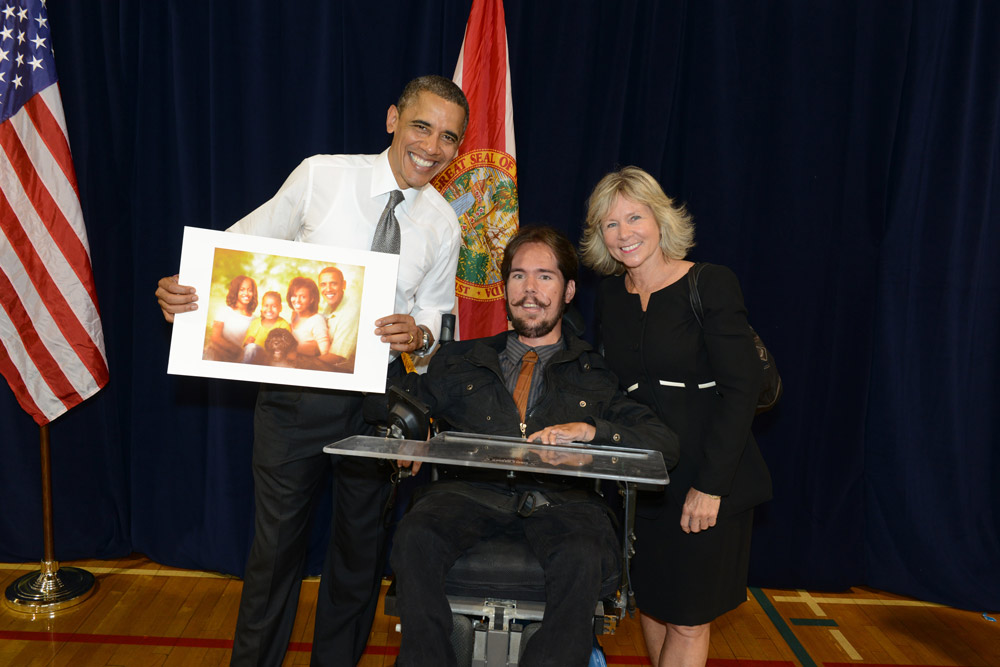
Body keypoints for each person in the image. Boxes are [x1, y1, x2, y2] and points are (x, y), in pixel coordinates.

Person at [155, 74, 469, 666]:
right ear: (392, 120)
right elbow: (235, 250)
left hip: (377, 404)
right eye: (422, 126)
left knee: (358, 561)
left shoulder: (444, 224)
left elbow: (435, 325)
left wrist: (420, 335)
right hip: (294, 400)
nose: (432, 146)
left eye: (448, 137)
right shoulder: (322, 175)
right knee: (274, 558)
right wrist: (184, 292)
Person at [380, 226, 680, 667]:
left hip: (565, 505)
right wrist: (407, 423)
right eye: (518, 276)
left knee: (584, 552)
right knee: (415, 536)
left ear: (569, 289)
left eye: (545, 276)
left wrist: (590, 430)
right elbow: (397, 399)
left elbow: (663, 443)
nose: (530, 290)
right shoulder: (460, 359)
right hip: (465, 495)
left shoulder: (594, 373)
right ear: (505, 288)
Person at [579, 167, 772, 667]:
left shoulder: (709, 283)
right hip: (646, 482)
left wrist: (711, 486)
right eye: (610, 224)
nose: (624, 234)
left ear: (660, 218)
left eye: (634, 217)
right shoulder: (611, 299)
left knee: (688, 618)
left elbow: (742, 389)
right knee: (656, 605)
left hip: (710, 478)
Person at [317, 266, 360, 372]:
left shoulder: (351, 312)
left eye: (333, 283)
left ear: (343, 285)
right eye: (323, 284)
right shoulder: (328, 307)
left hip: (344, 371)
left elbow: (336, 356)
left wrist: (302, 363)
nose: (328, 289)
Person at [207, 275, 258, 361]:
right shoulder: (225, 311)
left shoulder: (255, 319)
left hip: (240, 359)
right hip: (220, 354)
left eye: (250, 290)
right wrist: (237, 350)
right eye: (242, 290)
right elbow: (215, 337)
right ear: (235, 291)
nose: (246, 293)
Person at [286, 276, 331, 362]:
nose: (297, 300)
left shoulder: (317, 320)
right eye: (294, 296)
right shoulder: (293, 316)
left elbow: (325, 353)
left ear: (311, 299)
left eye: (303, 297)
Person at [241, 291, 290, 364]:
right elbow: (245, 347)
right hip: (253, 358)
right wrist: (247, 343)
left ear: (280, 308)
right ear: (261, 307)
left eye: (274, 306)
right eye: (266, 306)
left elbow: (285, 349)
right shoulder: (255, 323)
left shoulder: (283, 325)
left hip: (272, 360)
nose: (269, 310)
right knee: (251, 347)